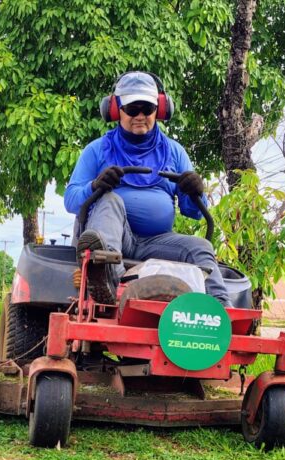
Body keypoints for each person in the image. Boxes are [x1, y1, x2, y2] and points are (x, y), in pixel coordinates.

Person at [64, 71, 232, 307]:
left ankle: (222, 312)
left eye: (148, 108)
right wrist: (94, 186)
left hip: (158, 241)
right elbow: (71, 200)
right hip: (115, 241)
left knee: (201, 247)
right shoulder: (97, 150)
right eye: (133, 108)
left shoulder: (174, 152)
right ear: (115, 110)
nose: (140, 115)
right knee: (109, 199)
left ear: (160, 110)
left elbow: (193, 212)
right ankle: (107, 280)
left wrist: (195, 191)